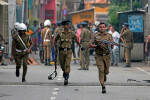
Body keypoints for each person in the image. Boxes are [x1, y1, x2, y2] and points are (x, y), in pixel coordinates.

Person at [54, 20, 81, 85]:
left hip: (69, 51)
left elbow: (76, 39)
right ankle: (65, 72)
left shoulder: (71, 33)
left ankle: (66, 76)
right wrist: (55, 48)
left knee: (67, 64)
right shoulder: (60, 33)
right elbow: (55, 40)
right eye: (66, 25)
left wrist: (80, 46)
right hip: (61, 51)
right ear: (63, 26)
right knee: (62, 65)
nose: (68, 26)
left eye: (69, 25)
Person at [89, 22, 114, 93]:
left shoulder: (109, 35)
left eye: (103, 27)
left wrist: (112, 44)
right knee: (101, 70)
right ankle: (103, 85)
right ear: (98, 28)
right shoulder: (95, 35)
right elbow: (90, 45)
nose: (102, 28)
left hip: (107, 56)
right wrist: (97, 46)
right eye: (100, 27)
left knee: (106, 71)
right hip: (98, 56)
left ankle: (105, 75)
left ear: (105, 28)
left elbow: (112, 45)